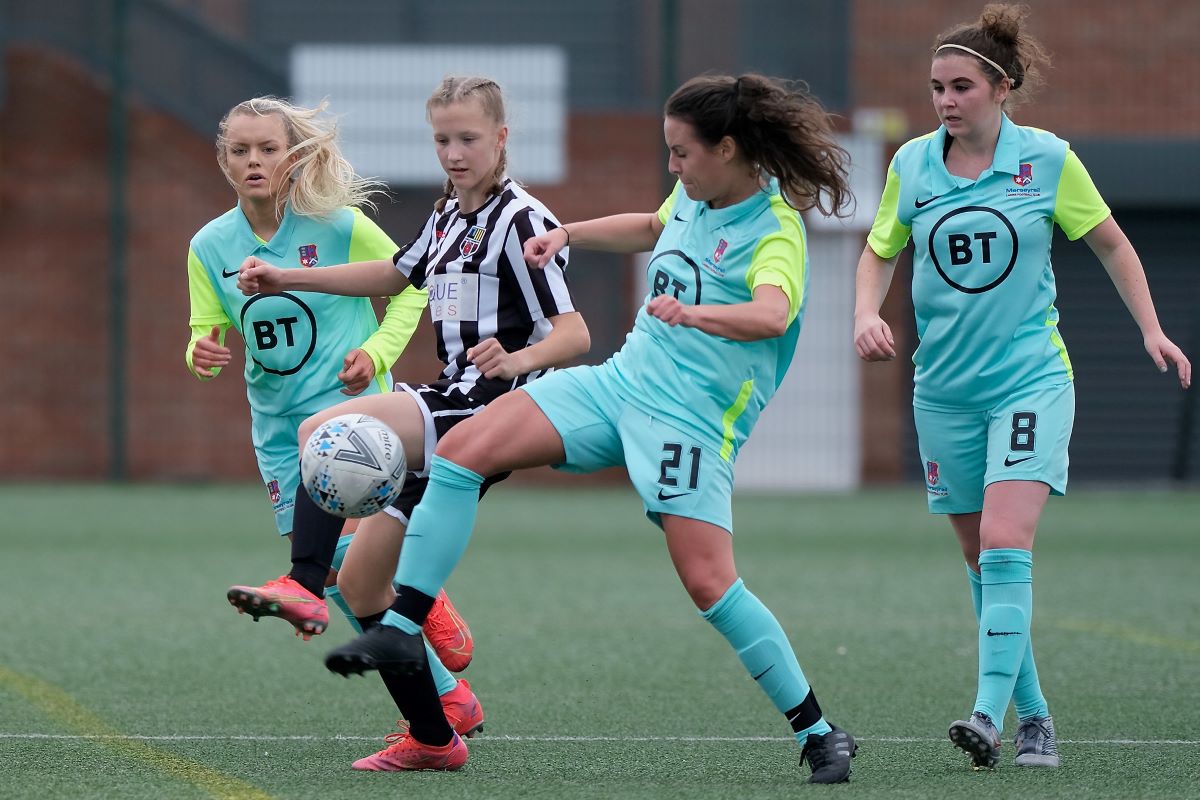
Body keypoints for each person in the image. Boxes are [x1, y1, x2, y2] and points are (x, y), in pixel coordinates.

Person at [320, 73, 861, 783]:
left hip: (689, 424)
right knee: (464, 448)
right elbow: (652, 225)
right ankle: (402, 624)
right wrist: (565, 234)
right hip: (620, 384)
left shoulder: (774, 227)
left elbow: (771, 315)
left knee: (709, 585)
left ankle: (818, 731)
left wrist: (693, 315)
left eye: (682, 154)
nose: (674, 168)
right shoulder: (695, 198)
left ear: (727, 149)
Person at [852, 3, 1191, 771]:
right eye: (937, 86)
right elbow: (879, 250)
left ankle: (985, 713)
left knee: (1008, 544)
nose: (945, 100)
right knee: (981, 562)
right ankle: (1034, 714)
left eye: (962, 86)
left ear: (1002, 88)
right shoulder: (911, 164)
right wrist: (863, 312)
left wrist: (1150, 327)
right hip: (942, 393)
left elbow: (1110, 241)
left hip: (1029, 383)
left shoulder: (1048, 161)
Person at [236, 75, 591, 769]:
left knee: (322, 433)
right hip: (449, 403)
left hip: (486, 409)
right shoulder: (448, 216)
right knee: (366, 586)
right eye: (442, 139)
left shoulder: (523, 220)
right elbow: (396, 276)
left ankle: (302, 583)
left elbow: (574, 335)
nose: (454, 153)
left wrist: (517, 357)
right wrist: (288, 279)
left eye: (469, 138)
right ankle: (434, 738)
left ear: (501, 139)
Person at [190, 95, 481, 739]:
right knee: (346, 579)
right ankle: (440, 671)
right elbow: (205, 327)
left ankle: (442, 688)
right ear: (225, 161)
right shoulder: (209, 245)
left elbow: (416, 285)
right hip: (276, 431)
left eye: (268, 148)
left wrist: (375, 349)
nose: (255, 161)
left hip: (356, 420)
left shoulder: (340, 225)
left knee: (338, 574)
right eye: (241, 151)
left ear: (294, 158)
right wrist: (200, 349)